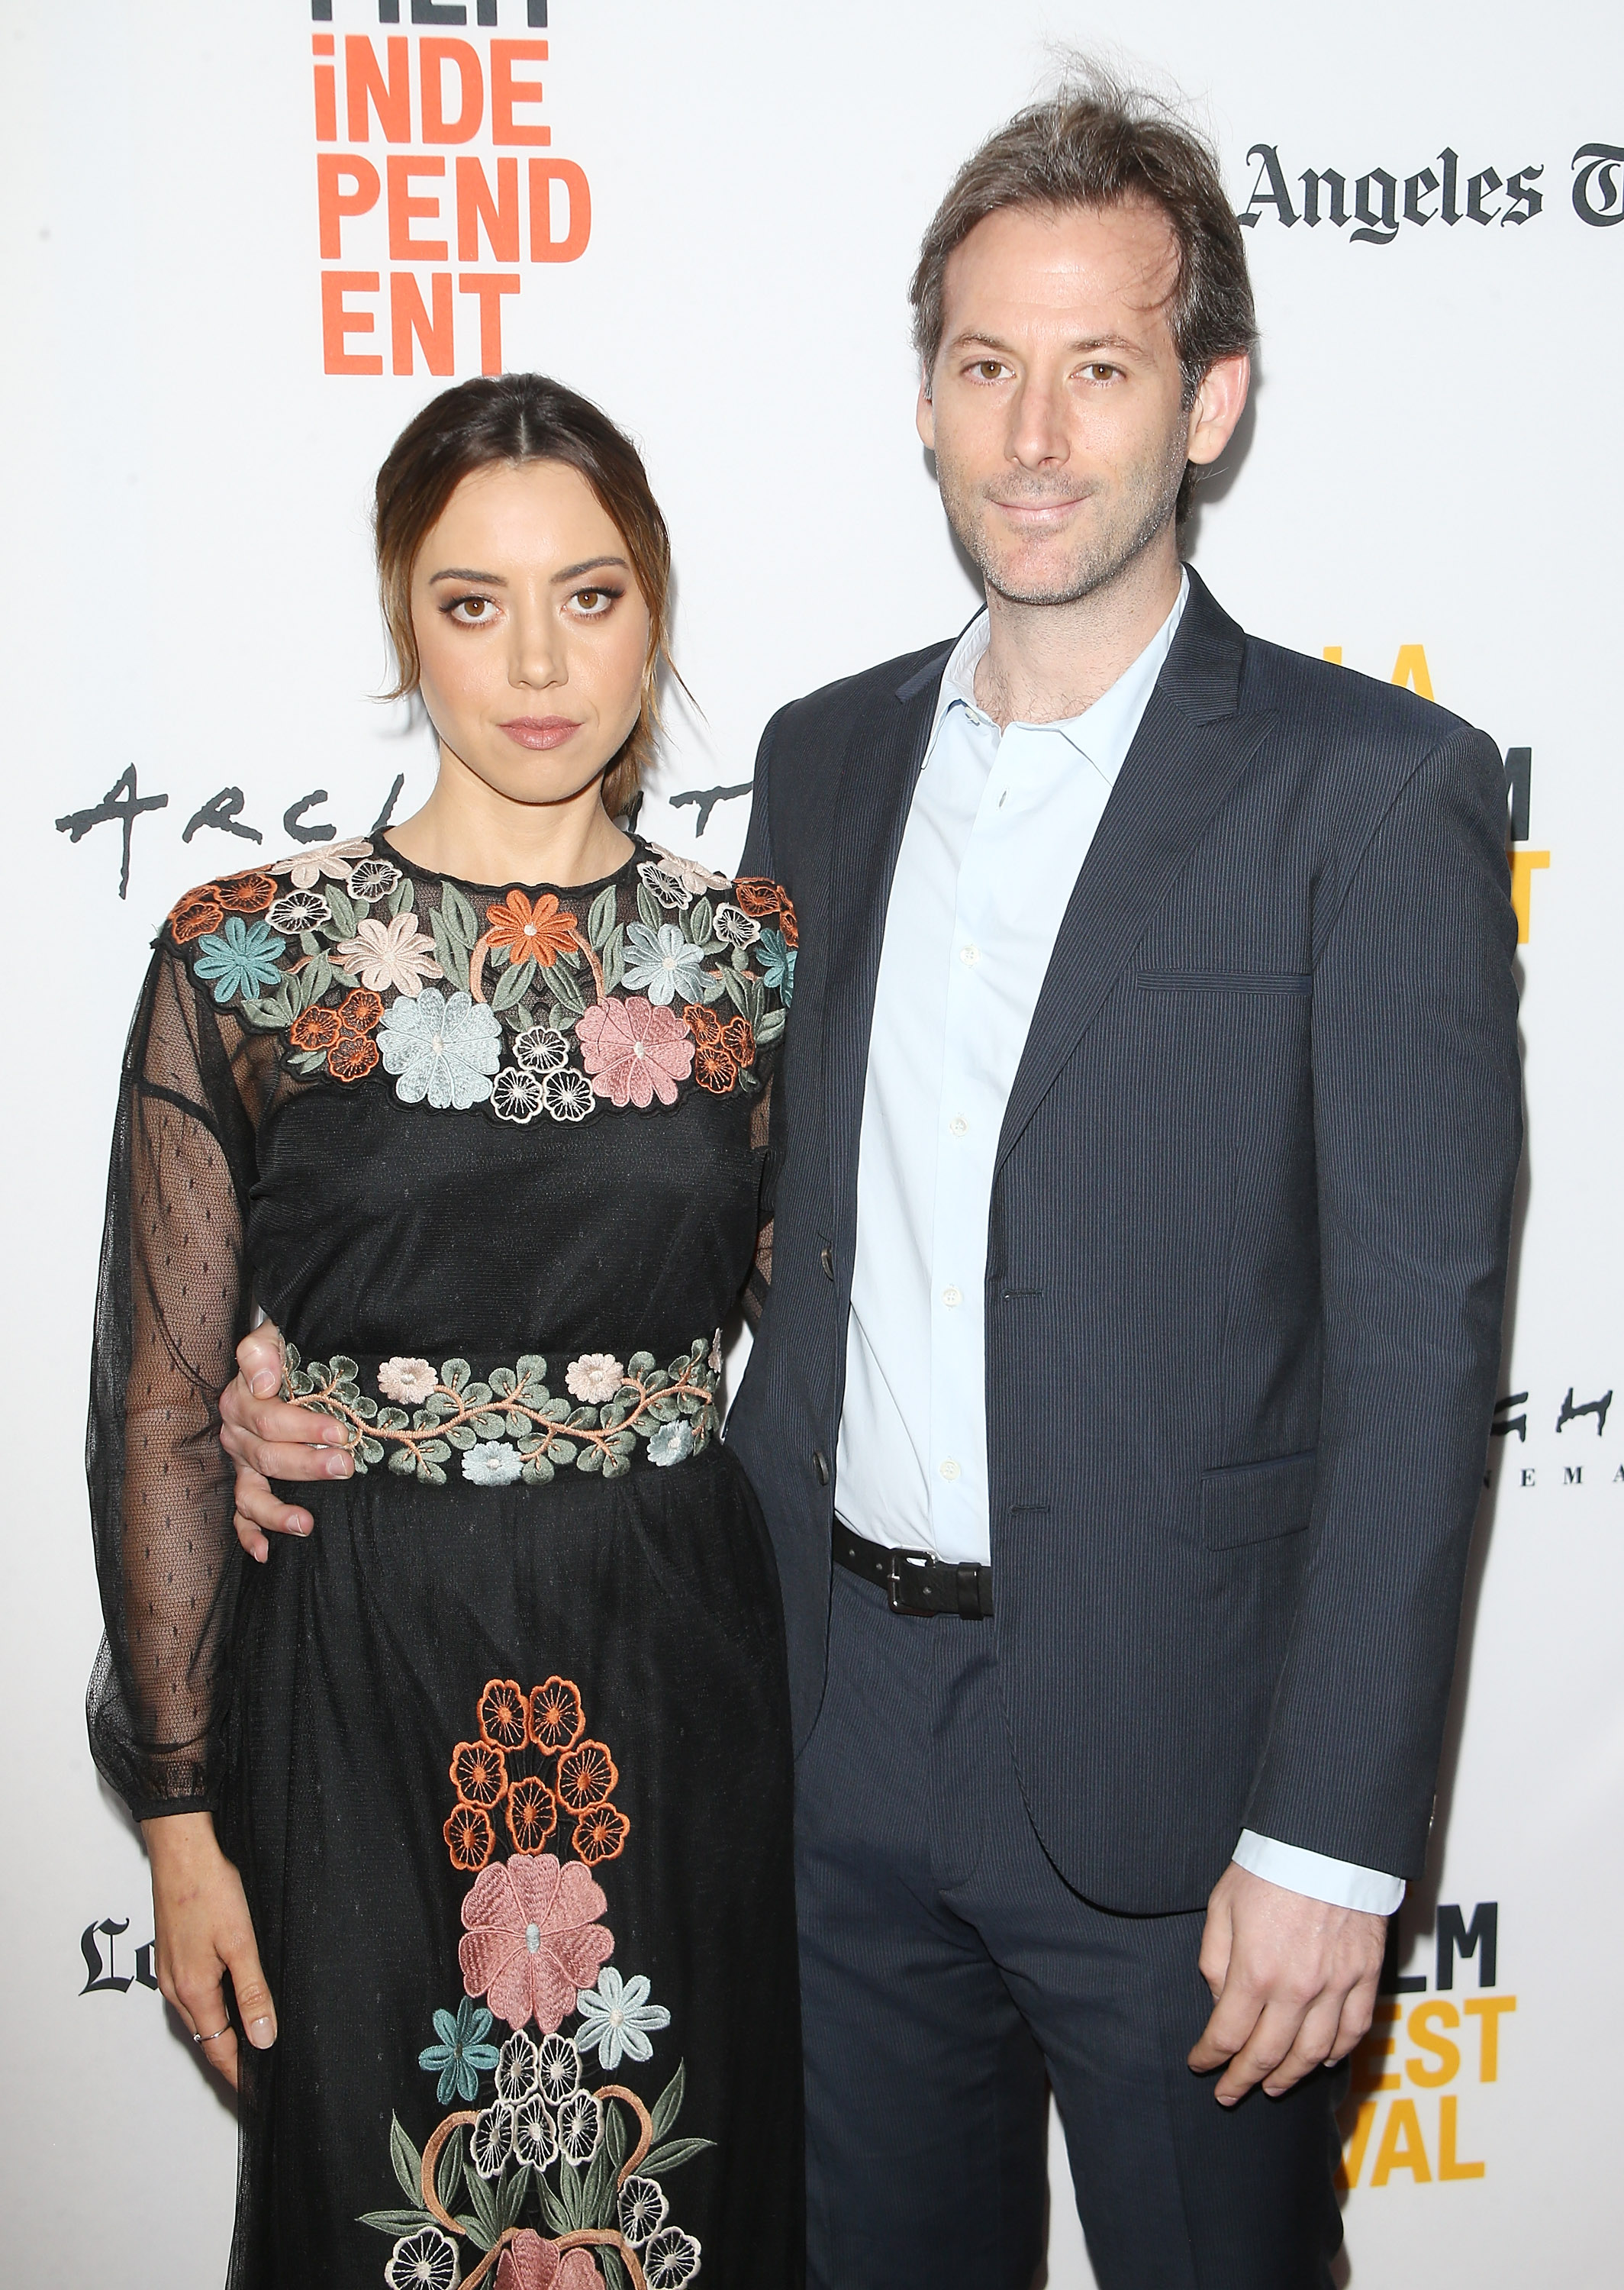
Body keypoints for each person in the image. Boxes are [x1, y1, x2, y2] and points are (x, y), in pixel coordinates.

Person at [218, 74, 1522, 2290]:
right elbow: (682, 1207)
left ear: (1206, 403)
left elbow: (1420, 1358)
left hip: (1187, 1782)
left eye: (1098, 368)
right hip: (814, 1741)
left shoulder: (1372, 793)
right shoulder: (822, 762)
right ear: (924, 397)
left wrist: (1334, 1838)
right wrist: (315, 1370)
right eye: (985, 365)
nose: (1033, 434)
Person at [85, 373, 804, 2290]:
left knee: (683, 2213)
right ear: (404, 619)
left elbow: (816, 1329)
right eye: (473, 602)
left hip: (676, 1668)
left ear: (653, 608)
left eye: (590, 594)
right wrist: (177, 1820)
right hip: (356, 1675)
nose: (539, 660)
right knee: (378, 2208)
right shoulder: (247, 955)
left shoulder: (747, 963)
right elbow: (158, 1401)